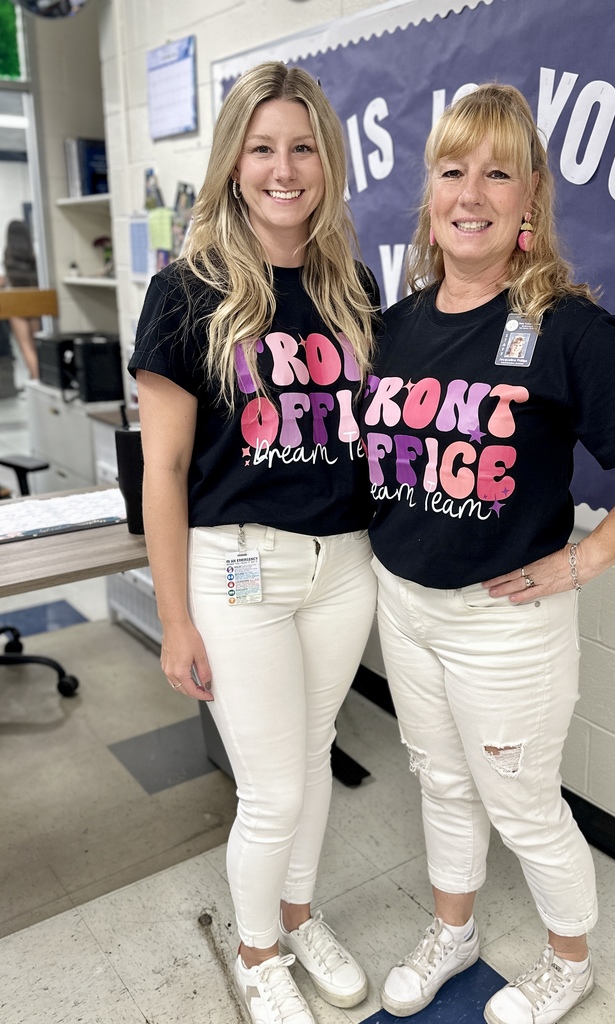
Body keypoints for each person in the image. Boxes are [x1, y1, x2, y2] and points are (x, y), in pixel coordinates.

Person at [362, 83, 615, 1024]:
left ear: (530, 202)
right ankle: (454, 930)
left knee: (521, 806)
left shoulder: (564, 326)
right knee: (439, 782)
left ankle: (568, 959)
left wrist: (584, 560)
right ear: (429, 195)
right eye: (452, 170)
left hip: (504, 623)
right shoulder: (393, 326)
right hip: (404, 601)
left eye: (497, 173)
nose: (470, 192)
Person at [129, 62, 379, 1024]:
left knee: (311, 760)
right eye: (263, 148)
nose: (284, 169)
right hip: (236, 571)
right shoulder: (187, 290)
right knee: (272, 786)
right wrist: (173, 618)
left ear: (328, 160)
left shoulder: (351, 283)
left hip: (341, 566)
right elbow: (162, 472)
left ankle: (300, 913)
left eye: (303, 147)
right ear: (234, 162)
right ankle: (258, 950)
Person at [2, 219, 40, 380]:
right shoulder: (34, 252)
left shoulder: (7, 255)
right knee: (38, 344)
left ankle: (35, 378)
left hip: (16, 301)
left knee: (26, 346)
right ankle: (40, 379)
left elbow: (2, 281)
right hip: (36, 299)